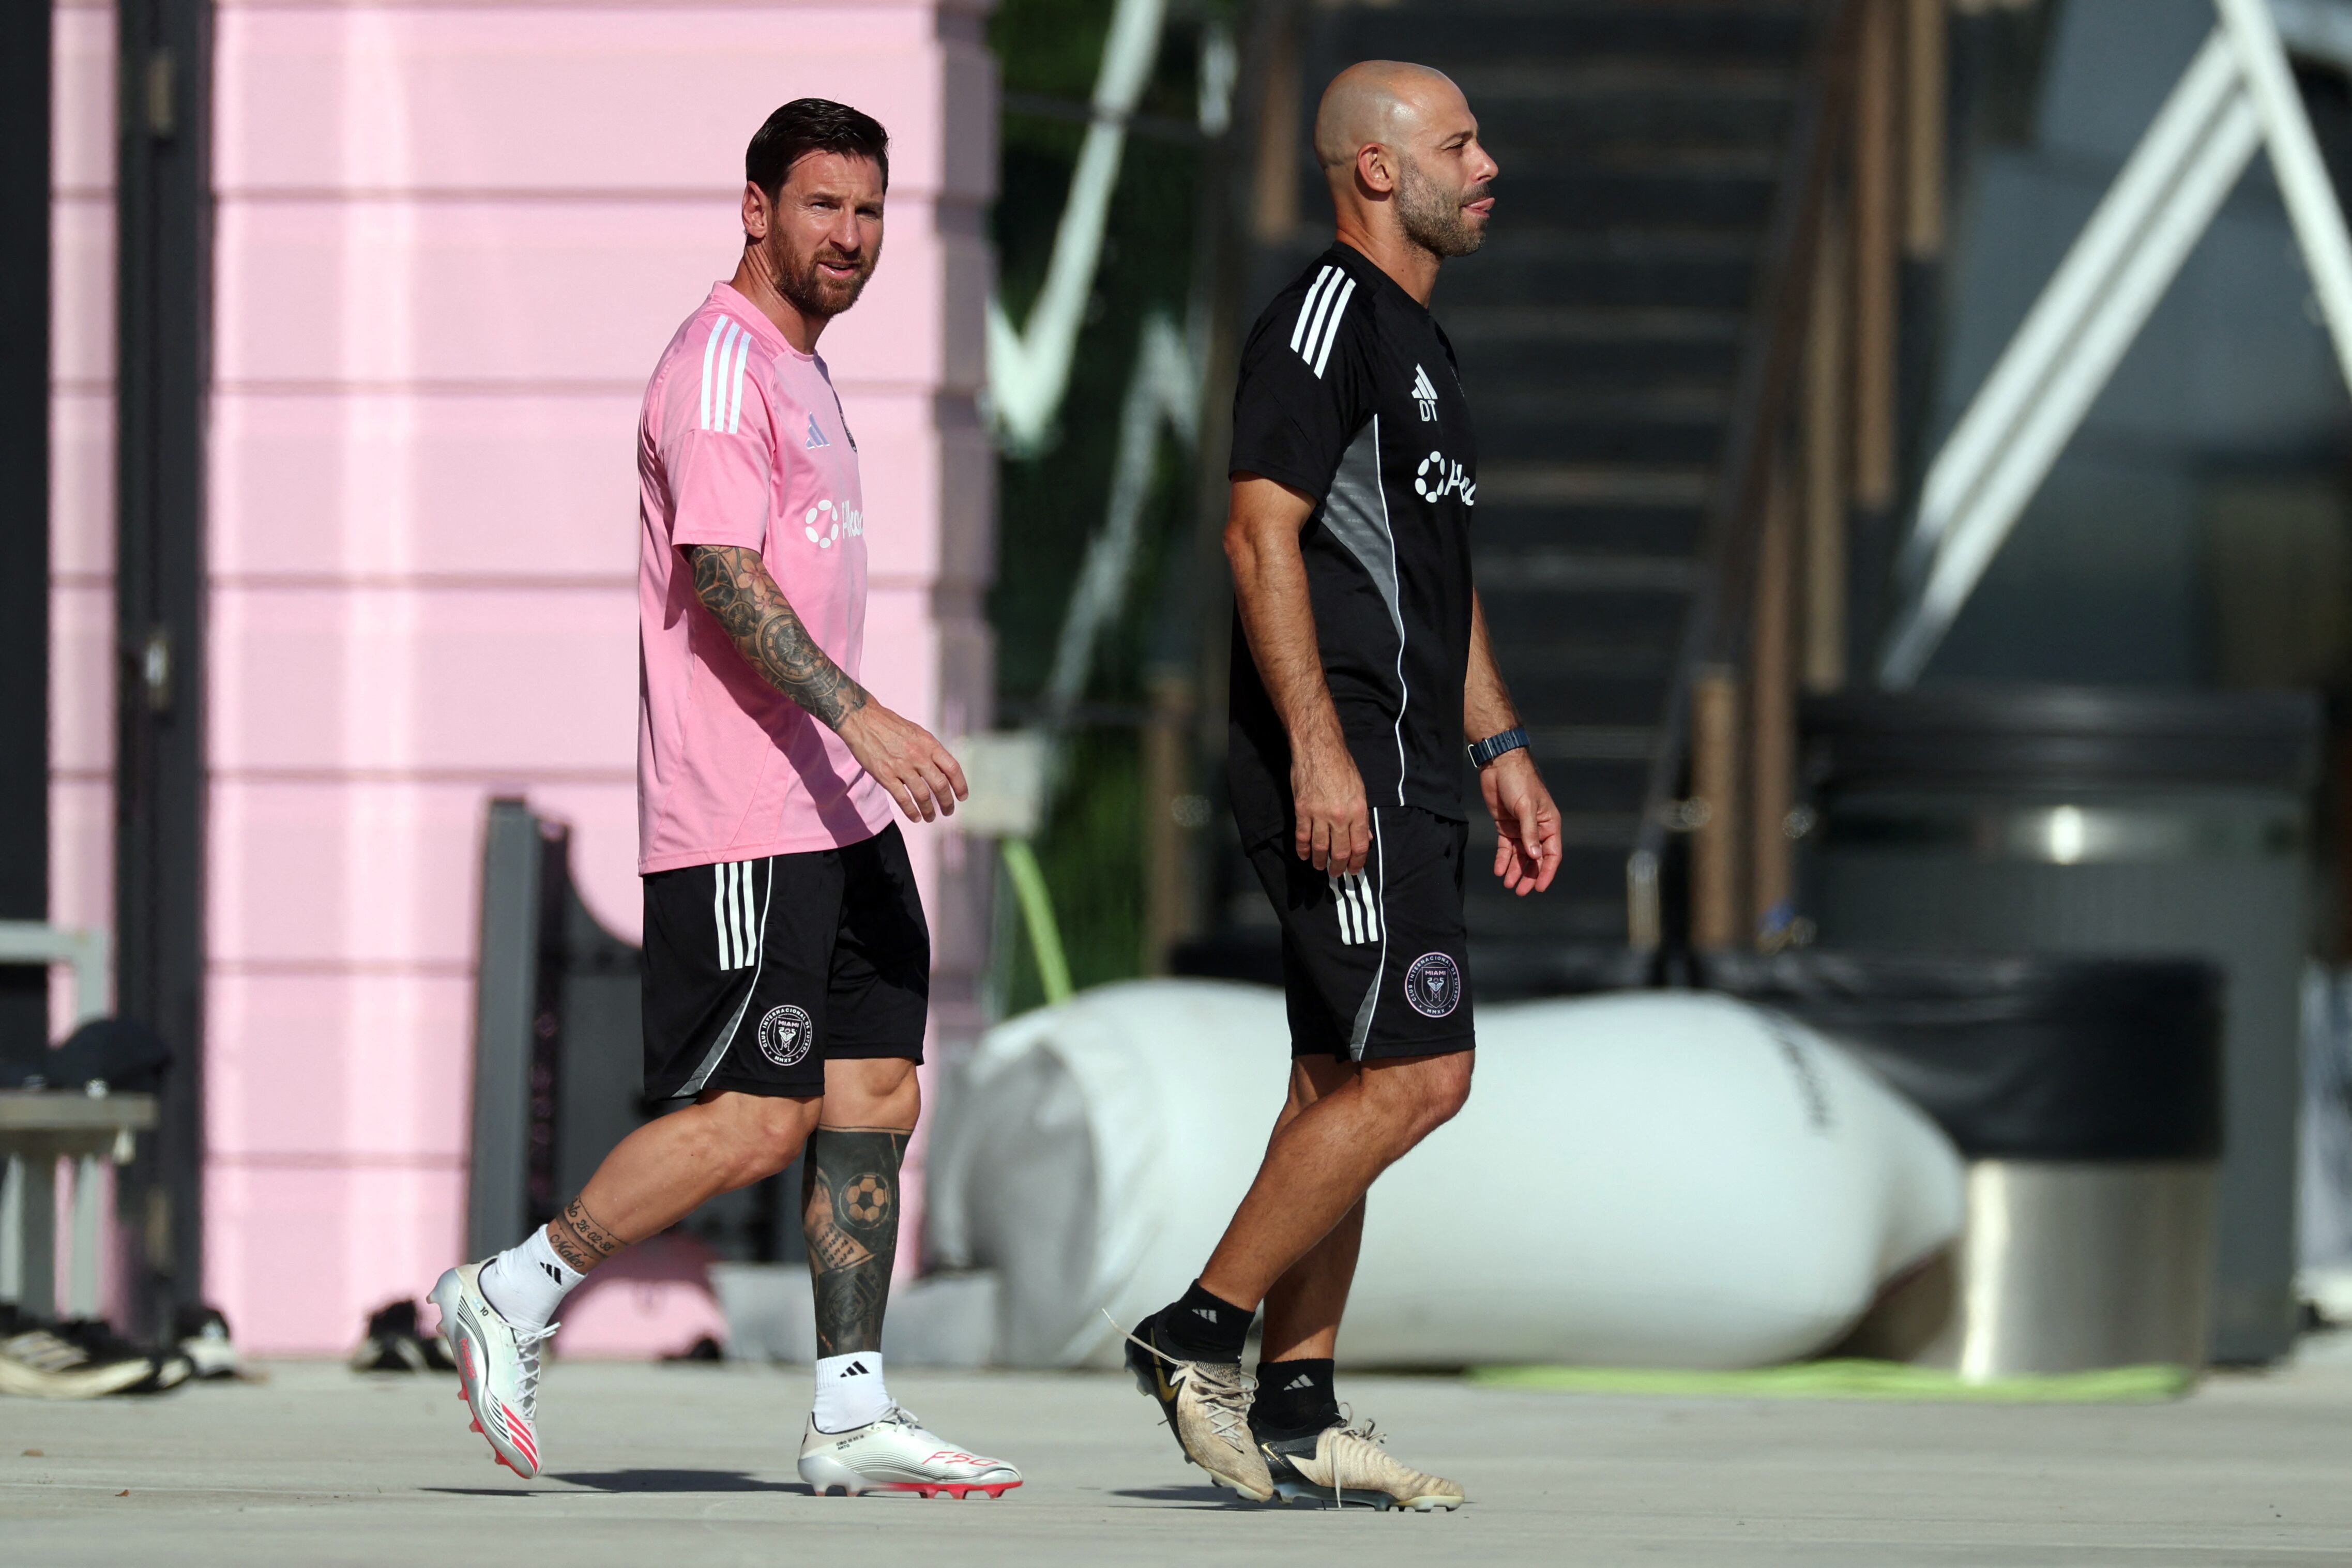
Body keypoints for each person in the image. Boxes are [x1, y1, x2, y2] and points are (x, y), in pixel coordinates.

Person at [431, 99, 1019, 1501]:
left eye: (870, 212)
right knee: (759, 1114)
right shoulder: (716, 365)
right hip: (746, 814)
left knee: (876, 1084)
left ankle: (852, 1407)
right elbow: (722, 573)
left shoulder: (804, 370)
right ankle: (512, 1288)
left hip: (837, 810)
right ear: (756, 207)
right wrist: (861, 712)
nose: (852, 238)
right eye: (823, 206)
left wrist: (855, 755)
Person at [1122, 61, 1559, 1511]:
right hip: (1349, 753)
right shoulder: (1325, 320)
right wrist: (1318, 743)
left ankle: (1301, 1405)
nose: (1486, 163)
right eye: (1459, 142)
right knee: (1421, 1070)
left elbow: (1443, 579)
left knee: (1336, 1080)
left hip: (1421, 757)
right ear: (1375, 169)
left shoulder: (1426, 342)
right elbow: (1262, 537)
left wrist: (1498, 746)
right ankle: (1195, 1335)